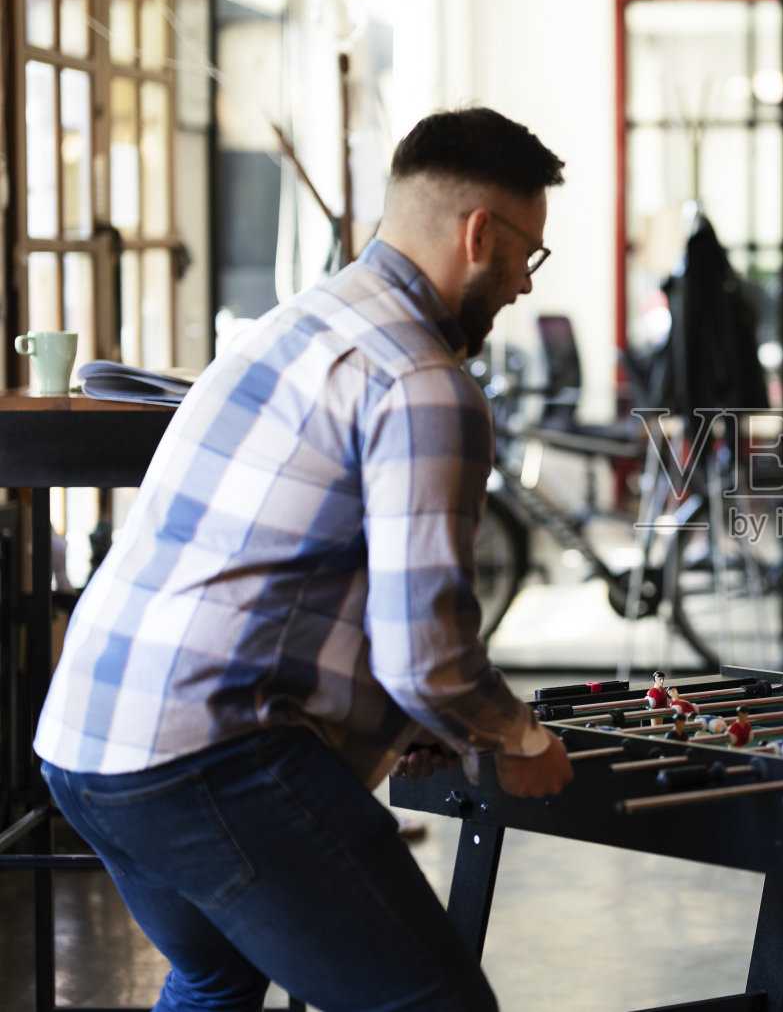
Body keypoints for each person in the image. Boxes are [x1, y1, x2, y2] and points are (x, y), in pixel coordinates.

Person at [33, 106, 575, 1012]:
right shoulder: (425, 382)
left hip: (85, 735)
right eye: (529, 253)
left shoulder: (293, 323)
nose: (524, 283)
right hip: (204, 757)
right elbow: (428, 655)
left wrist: (417, 720)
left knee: (216, 975)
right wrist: (514, 736)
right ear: (480, 232)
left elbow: (292, 569)